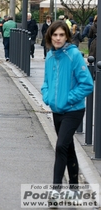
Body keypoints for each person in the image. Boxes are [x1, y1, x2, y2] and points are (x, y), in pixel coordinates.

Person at [41, 20, 93, 201]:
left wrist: (67, 99)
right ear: (50, 36)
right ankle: (74, 188)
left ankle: (55, 191)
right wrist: (47, 97)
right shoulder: (49, 56)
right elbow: (46, 82)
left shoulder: (74, 55)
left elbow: (87, 84)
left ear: (67, 36)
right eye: (55, 35)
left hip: (73, 110)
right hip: (57, 111)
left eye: (61, 35)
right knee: (68, 148)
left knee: (61, 146)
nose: (58, 38)